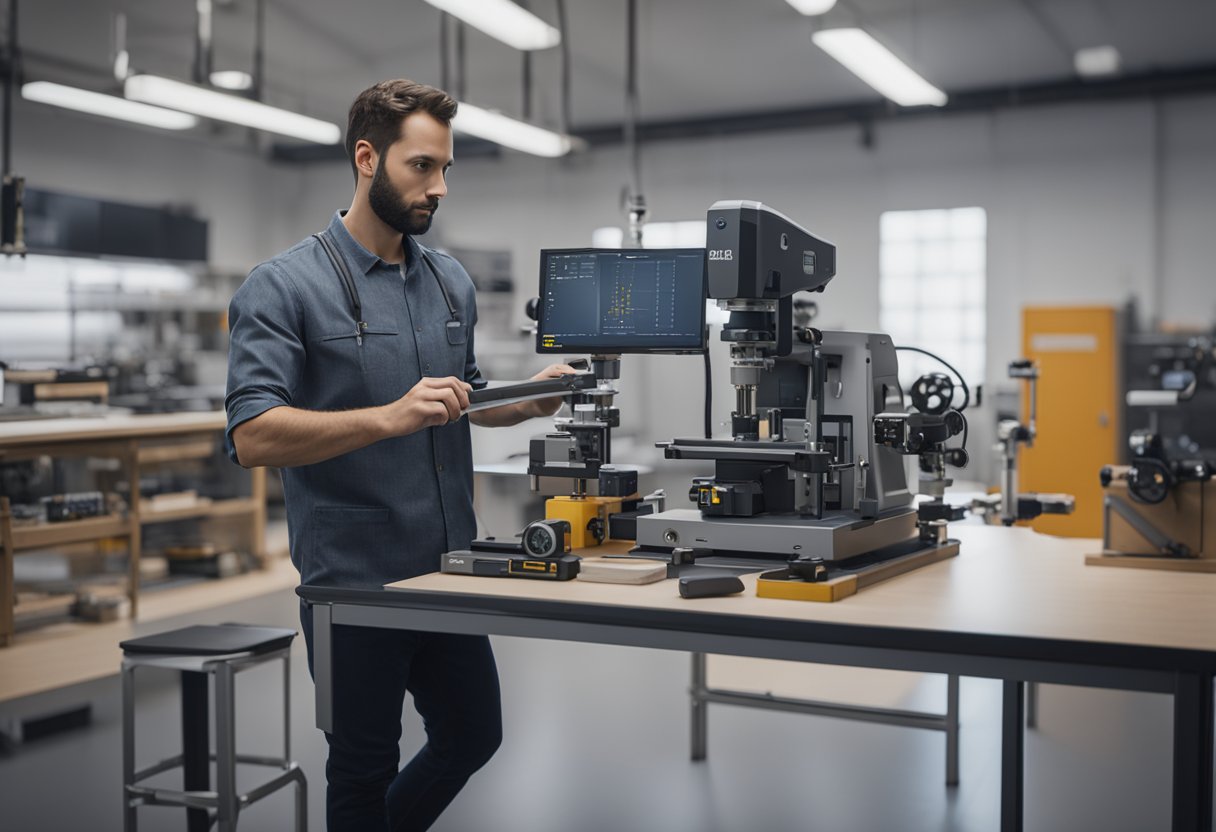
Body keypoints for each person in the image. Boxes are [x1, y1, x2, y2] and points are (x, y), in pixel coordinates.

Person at [224, 79, 572, 831]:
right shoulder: (283, 287)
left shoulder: (449, 281)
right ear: (366, 158)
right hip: (354, 584)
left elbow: (466, 397)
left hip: (449, 569)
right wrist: (386, 419)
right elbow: (252, 434)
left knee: (474, 733)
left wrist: (531, 399)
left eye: (445, 169)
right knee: (362, 768)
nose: (438, 187)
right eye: (421, 167)